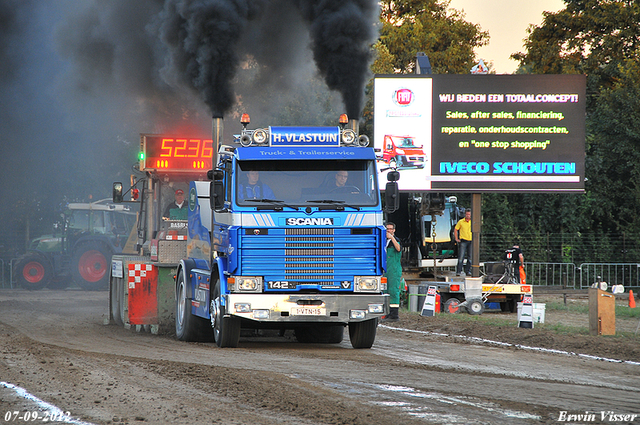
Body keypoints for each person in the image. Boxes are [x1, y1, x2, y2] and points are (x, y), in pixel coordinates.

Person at [383, 222, 402, 322]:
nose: (389, 231)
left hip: (394, 269)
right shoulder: (384, 241)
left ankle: (394, 315)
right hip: (386, 269)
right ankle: (387, 313)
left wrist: (392, 238)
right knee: (386, 291)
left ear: (394, 230)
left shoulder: (396, 240)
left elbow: (398, 249)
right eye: (387, 229)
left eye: (391, 229)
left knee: (393, 291)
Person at [454, 209, 472, 276]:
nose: (468, 215)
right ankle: (458, 271)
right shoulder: (461, 221)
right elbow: (455, 229)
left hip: (471, 241)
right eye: (467, 214)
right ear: (465, 214)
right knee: (461, 257)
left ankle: (468, 271)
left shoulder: (472, 222)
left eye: (469, 214)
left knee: (470, 257)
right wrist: (456, 238)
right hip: (463, 241)